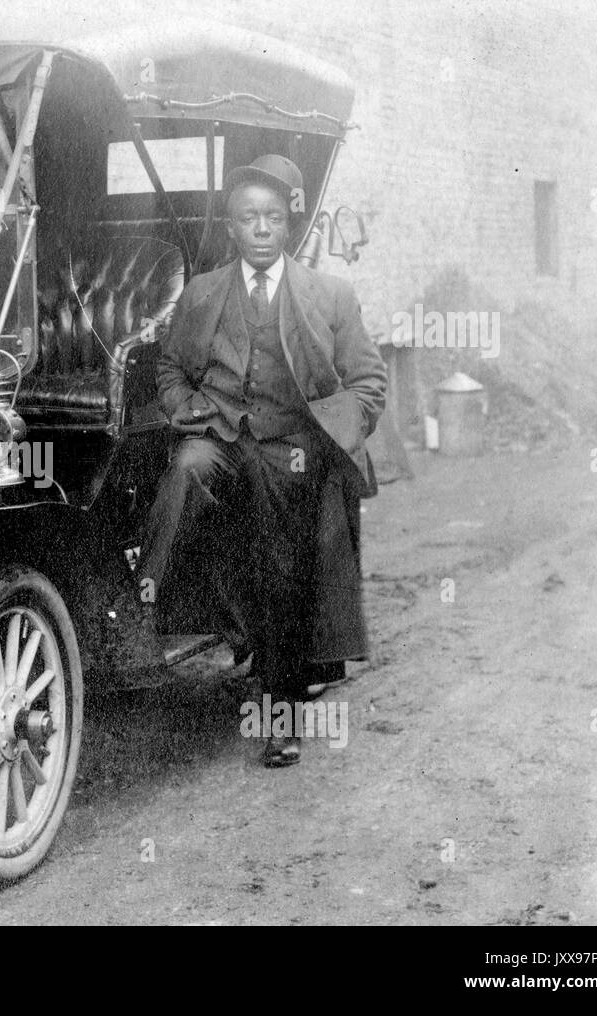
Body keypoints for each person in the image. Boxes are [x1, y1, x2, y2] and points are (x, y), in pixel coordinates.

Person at [138, 154, 386, 767]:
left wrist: (334, 432)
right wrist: (189, 409)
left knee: (281, 570)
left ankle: (281, 718)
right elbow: (169, 370)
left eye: (273, 217)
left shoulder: (330, 295)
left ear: (290, 227)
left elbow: (369, 381)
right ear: (231, 226)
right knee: (188, 468)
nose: (261, 228)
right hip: (220, 435)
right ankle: (148, 592)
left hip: (292, 449)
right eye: (249, 217)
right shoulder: (200, 294)